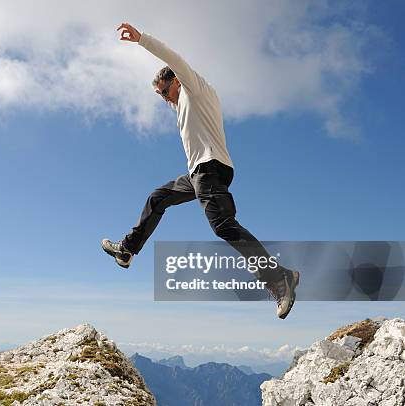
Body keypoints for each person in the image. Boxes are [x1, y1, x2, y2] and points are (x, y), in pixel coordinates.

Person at [102, 23, 300, 319]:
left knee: (223, 225)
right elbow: (174, 97)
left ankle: (279, 279)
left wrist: (142, 39)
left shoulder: (194, 88)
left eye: (165, 91)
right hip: (197, 174)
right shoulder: (182, 103)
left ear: (177, 81)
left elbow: (174, 58)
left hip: (210, 168)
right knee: (158, 198)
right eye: (159, 96)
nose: (165, 99)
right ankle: (127, 250)